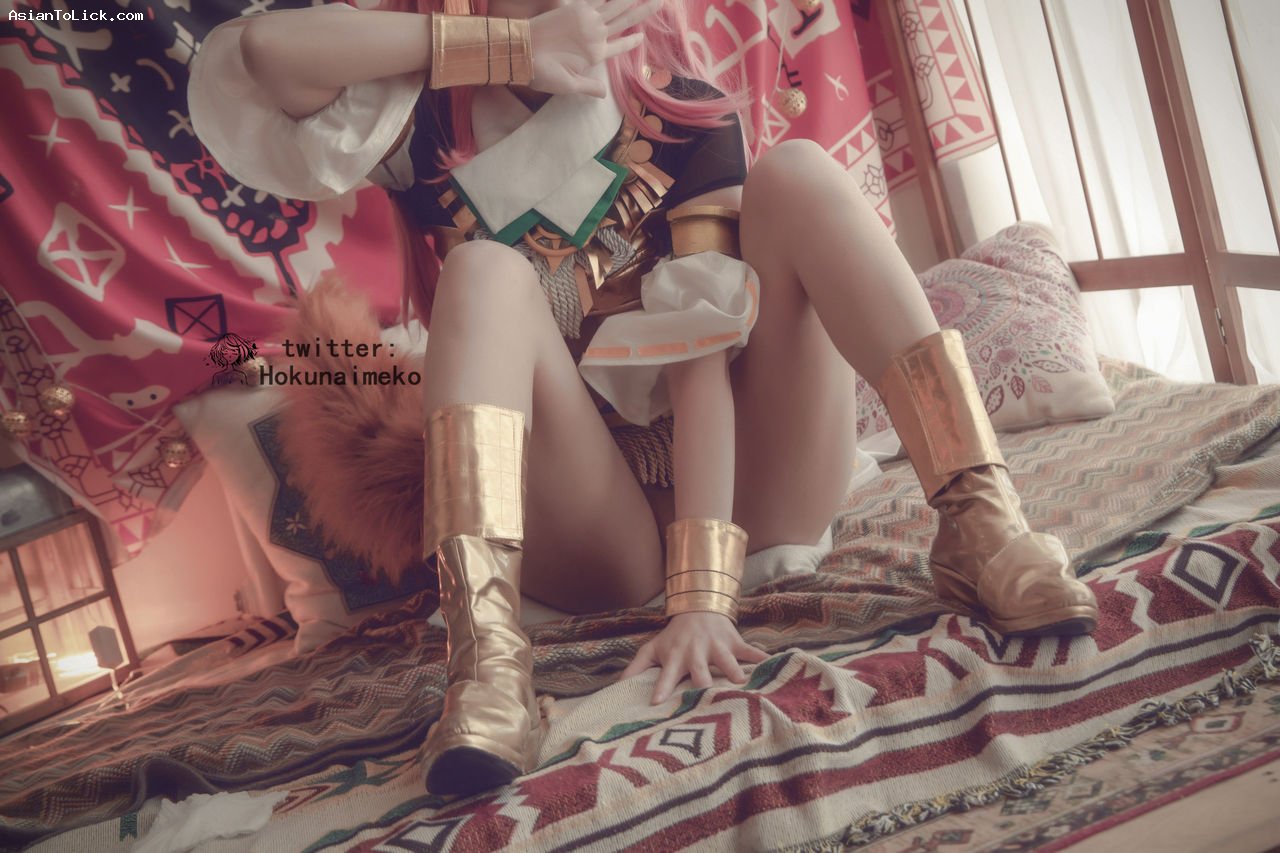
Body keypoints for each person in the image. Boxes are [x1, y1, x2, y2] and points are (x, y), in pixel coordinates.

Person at [188, 0, 1099, 798]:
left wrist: (702, 598)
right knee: (481, 269)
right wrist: (511, 48)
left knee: (800, 171)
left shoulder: (681, 109)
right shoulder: (426, 126)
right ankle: (490, 665)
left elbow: (700, 359)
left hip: (750, 483)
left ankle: (984, 521)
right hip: (596, 524)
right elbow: (262, 53)